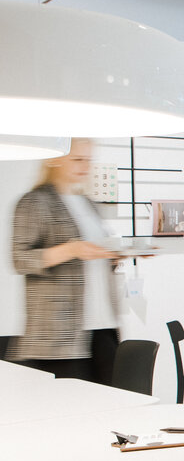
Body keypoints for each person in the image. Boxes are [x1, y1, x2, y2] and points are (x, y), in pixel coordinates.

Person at [9, 139, 122, 383]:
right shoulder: (35, 202)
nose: (85, 166)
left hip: (103, 326)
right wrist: (71, 249)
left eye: (89, 160)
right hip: (59, 333)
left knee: (110, 409)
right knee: (74, 410)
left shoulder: (88, 204)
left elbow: (92, 259)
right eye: (78, 159)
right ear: (56, 158)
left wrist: (114, 256)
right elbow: (21, 259)